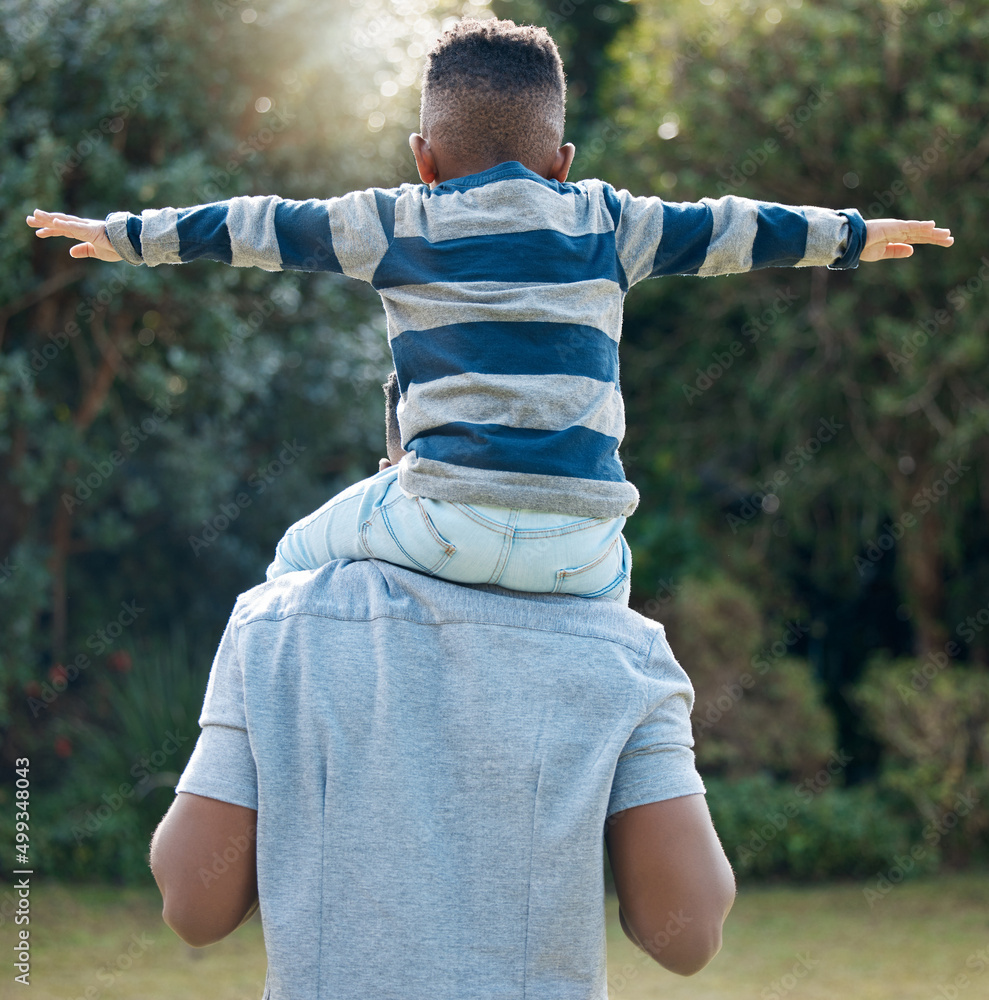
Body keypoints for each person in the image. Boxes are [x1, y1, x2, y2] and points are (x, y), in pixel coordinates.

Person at [26, 18, 954, 607]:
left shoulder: (393, 222)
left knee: (289, 566)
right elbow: (733, 229)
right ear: (563, 161)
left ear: (422, 159)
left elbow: (253, 224)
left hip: (443, 519)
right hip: (590, 549)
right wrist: (851, 233)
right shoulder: (607, 221)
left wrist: (124, 233)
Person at [148, 553, 736, 997]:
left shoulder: (273, 627)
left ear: (392, 466)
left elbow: (194, 903)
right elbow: (689, 933)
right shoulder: (626, 653)